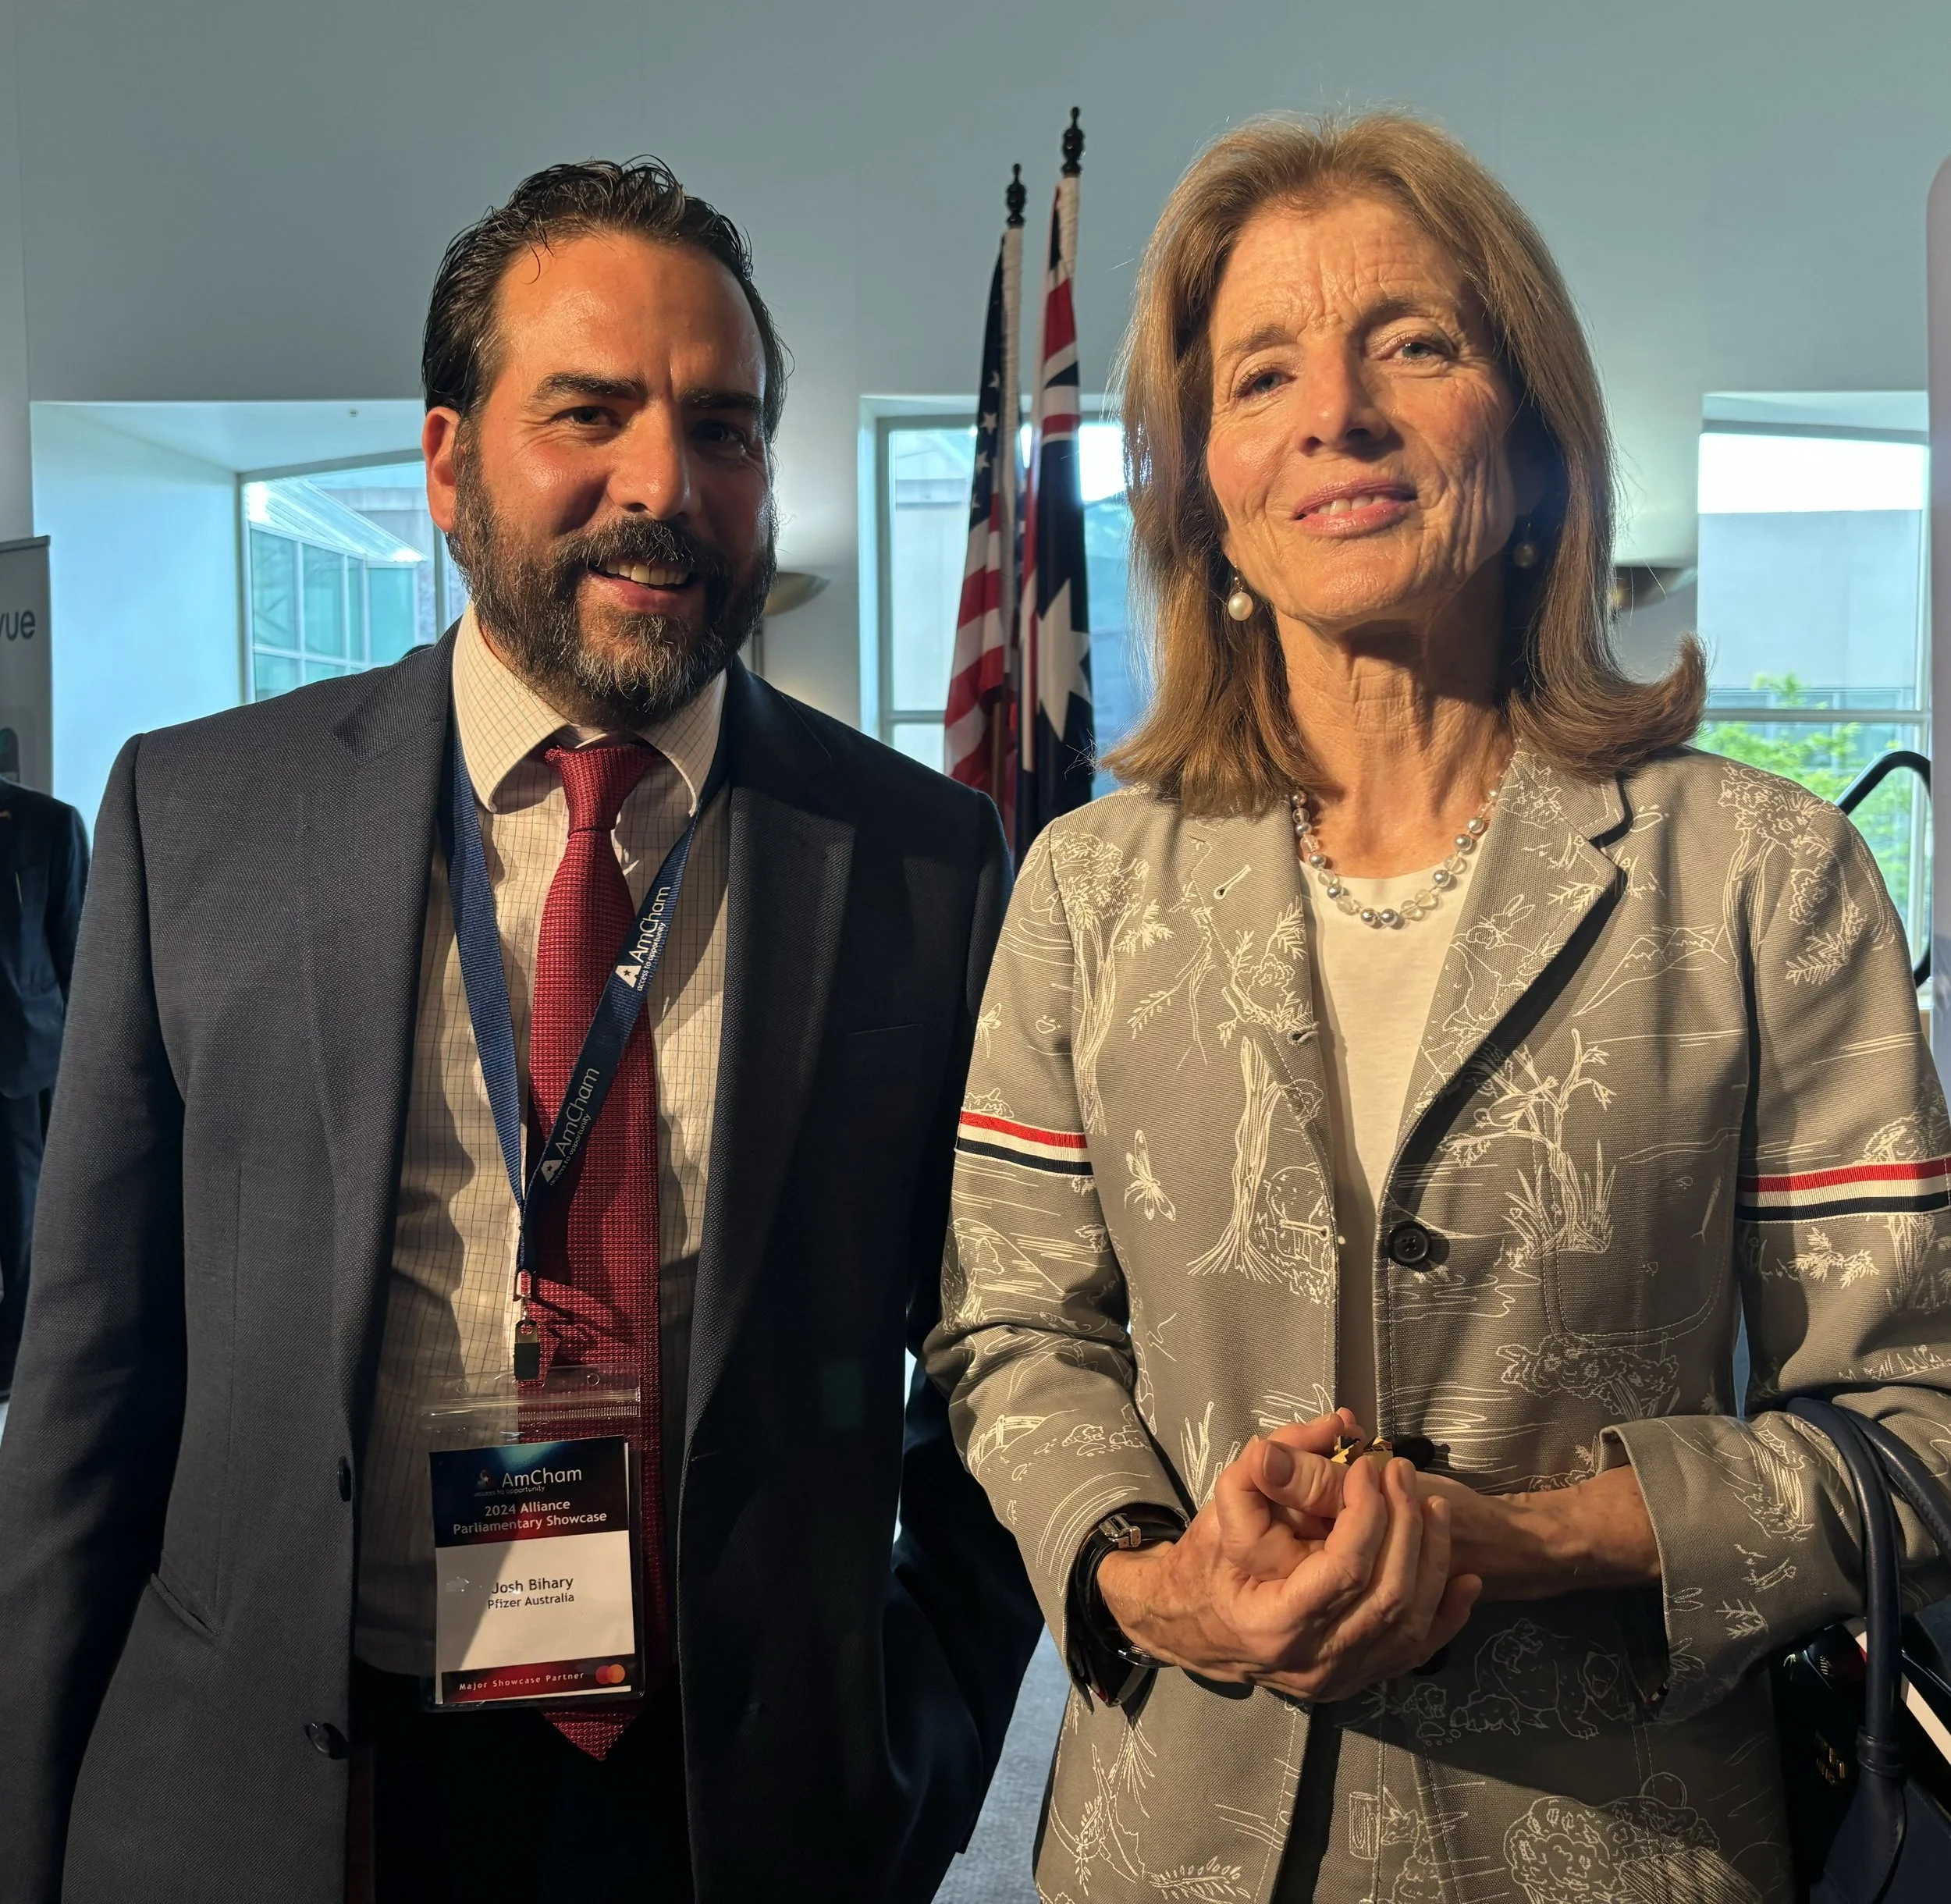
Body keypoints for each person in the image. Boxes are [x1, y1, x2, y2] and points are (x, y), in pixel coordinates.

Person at [927, 112, 1951, 1903]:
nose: (1336, 409)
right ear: (1209, 490)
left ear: (1537, 433)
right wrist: (1156, 1574)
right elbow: (1014, 1332)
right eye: (1264, 372)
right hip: (1166, 1842)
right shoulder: (1084, 888)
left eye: (1413, 340)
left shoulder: (1764, 881)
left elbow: (1917, 1424)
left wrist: (1534, 1536)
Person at [0, 158, 1039, 1904]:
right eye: (590, 412)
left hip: (729, 1803)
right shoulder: (200, 818)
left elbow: (997, 1356)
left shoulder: (919, 862)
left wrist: (914, 1741)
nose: (665, 485)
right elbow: (91, 1383)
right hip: (277, 1787)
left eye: (722, 427)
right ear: (444, 463)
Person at [0, 778, 87, 1402]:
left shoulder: (47, 823)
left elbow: (77, 951)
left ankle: (20, 1364)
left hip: (22, 1057)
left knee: (22, 1220)